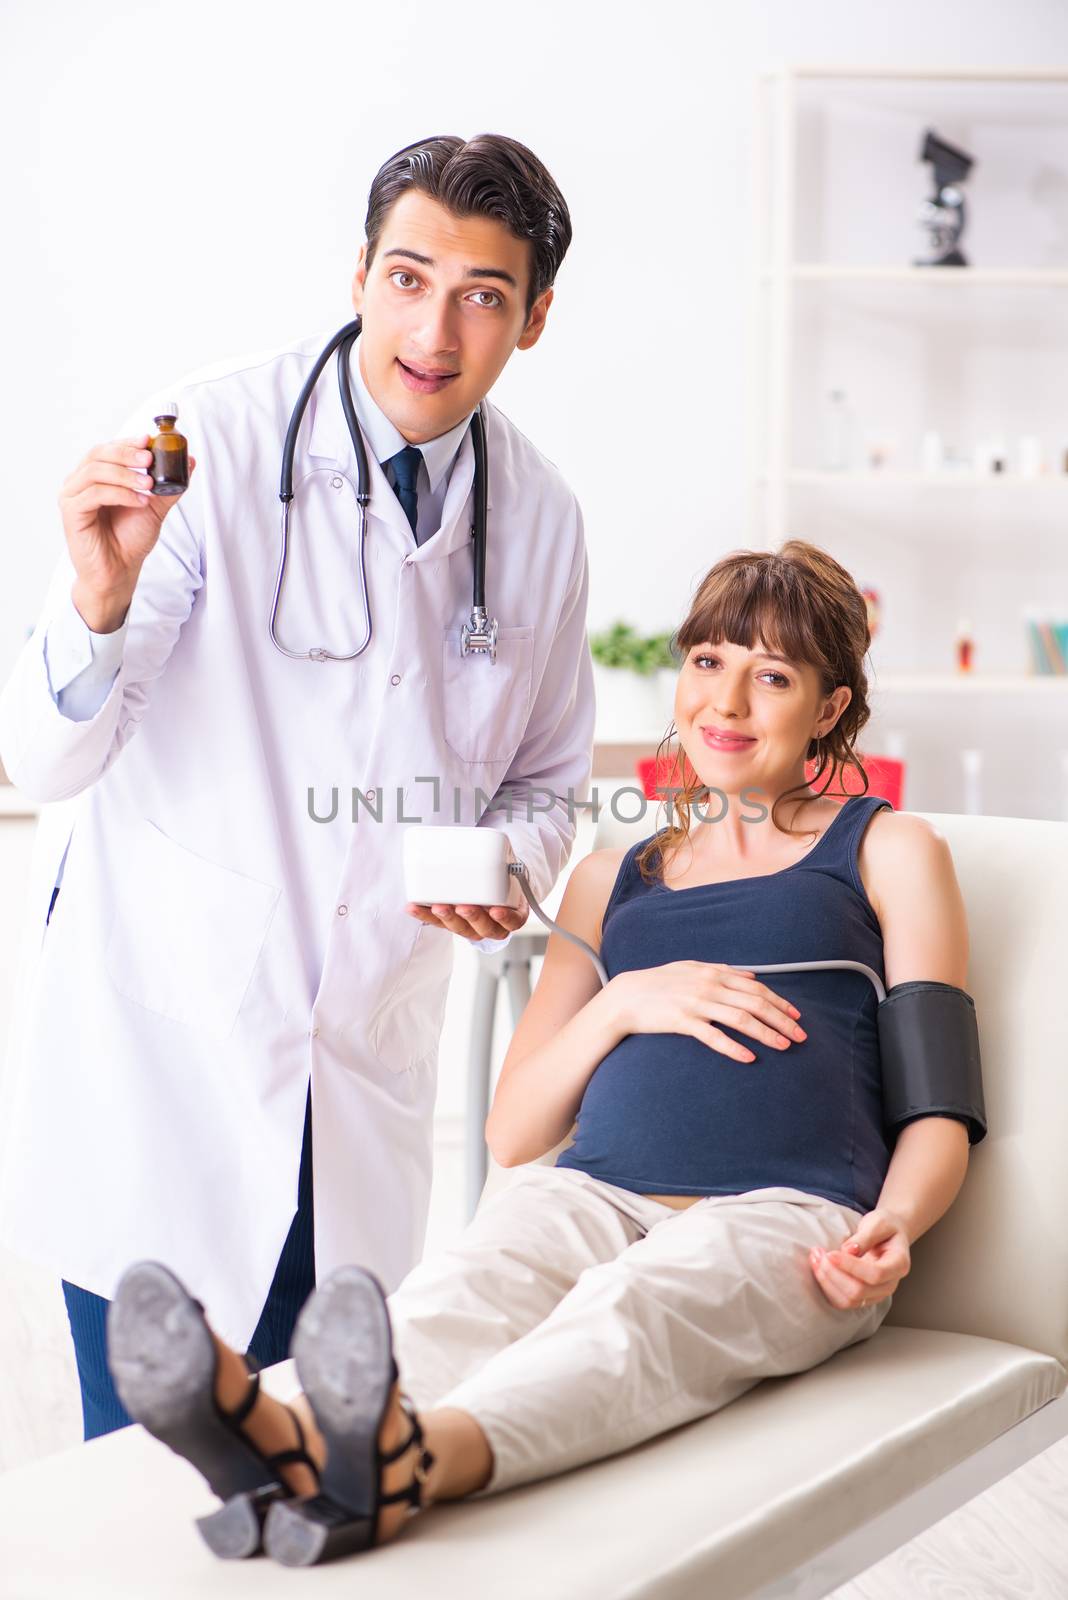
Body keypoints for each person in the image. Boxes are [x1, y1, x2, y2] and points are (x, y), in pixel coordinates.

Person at [107, 540, 975, 1567]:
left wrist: (896, 1222)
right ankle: (276, 1430)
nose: (726, 701)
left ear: (828, 709)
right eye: (708, 661)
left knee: (636, 1310)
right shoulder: (614, 879)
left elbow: (940, 1104)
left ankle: (408, 1457)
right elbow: (516, 1129)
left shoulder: (885, 847)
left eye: (773, 675)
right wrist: (623, 1006)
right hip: (589, 1194)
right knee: (463, 1290)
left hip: (791, 1216)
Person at [0, 133, 595, 1442]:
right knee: (151, 1483)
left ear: (535, 319)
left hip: (362, 1077)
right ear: (360, 275)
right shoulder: (211, 440)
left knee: (322, 1474)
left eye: (484, 294)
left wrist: (508, 868)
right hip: (165, 1060)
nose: (434, 330)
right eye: (407, 276)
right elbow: (49, 760)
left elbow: (551, 781)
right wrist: (97, 599)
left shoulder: (541, 520)